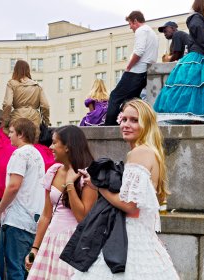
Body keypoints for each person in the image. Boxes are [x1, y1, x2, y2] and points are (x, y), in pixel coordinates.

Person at [72, 99, 179, 279]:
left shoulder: (139, 152)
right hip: (140, 236)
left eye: (134, 120)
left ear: (146, 124)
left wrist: (99, 187)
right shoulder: (151, 152)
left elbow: (130, 205)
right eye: (124, 119)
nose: (126, 125)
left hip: (128, 236)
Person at [25, 125, 98, 279]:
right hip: (51, 239)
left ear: (67, 147)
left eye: (54, 143)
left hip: (73, 242)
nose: (50, 147)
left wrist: (70, 184)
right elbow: (46, 215)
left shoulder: (88, 175)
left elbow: (82, 218)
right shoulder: (53, 171)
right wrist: (35, 248)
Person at [0, 59, 54, 203]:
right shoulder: (37, 86)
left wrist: (5, 122)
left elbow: (8, 104)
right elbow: (45, 105)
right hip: (34, 120)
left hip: (18, 118)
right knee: (33, 151)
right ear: (28, 71)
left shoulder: (12, 84)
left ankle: (4, 189)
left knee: (8, 152)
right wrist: (45, 121)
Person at [154, 0, 204, 118]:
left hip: (201, 57)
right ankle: (190, 118)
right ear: (203, 3)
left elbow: (203, 40)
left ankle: (195, 118)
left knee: (197, 90)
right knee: (195, 89)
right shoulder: (196, 19)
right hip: (199, 58)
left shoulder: (197, 19)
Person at [0, 118, 46, 280]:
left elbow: (14, 186)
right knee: (27, 270)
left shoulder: (20, 154)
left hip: (17, 220)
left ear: (21, 134)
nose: (9, 135)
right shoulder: (37, 155)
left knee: (14, 270)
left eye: (12, 132)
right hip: (33, 220)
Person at [104, 10, 158, 126]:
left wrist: (128, 67)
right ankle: (136, 123)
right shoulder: (152, 32)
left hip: (136, 71)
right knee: (133, 100)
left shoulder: (141, 30)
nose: (130, 28)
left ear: (135, 21)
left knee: (115, 96)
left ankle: (109, 126)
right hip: (145, 72)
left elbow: (139, 51)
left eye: (130, 24)